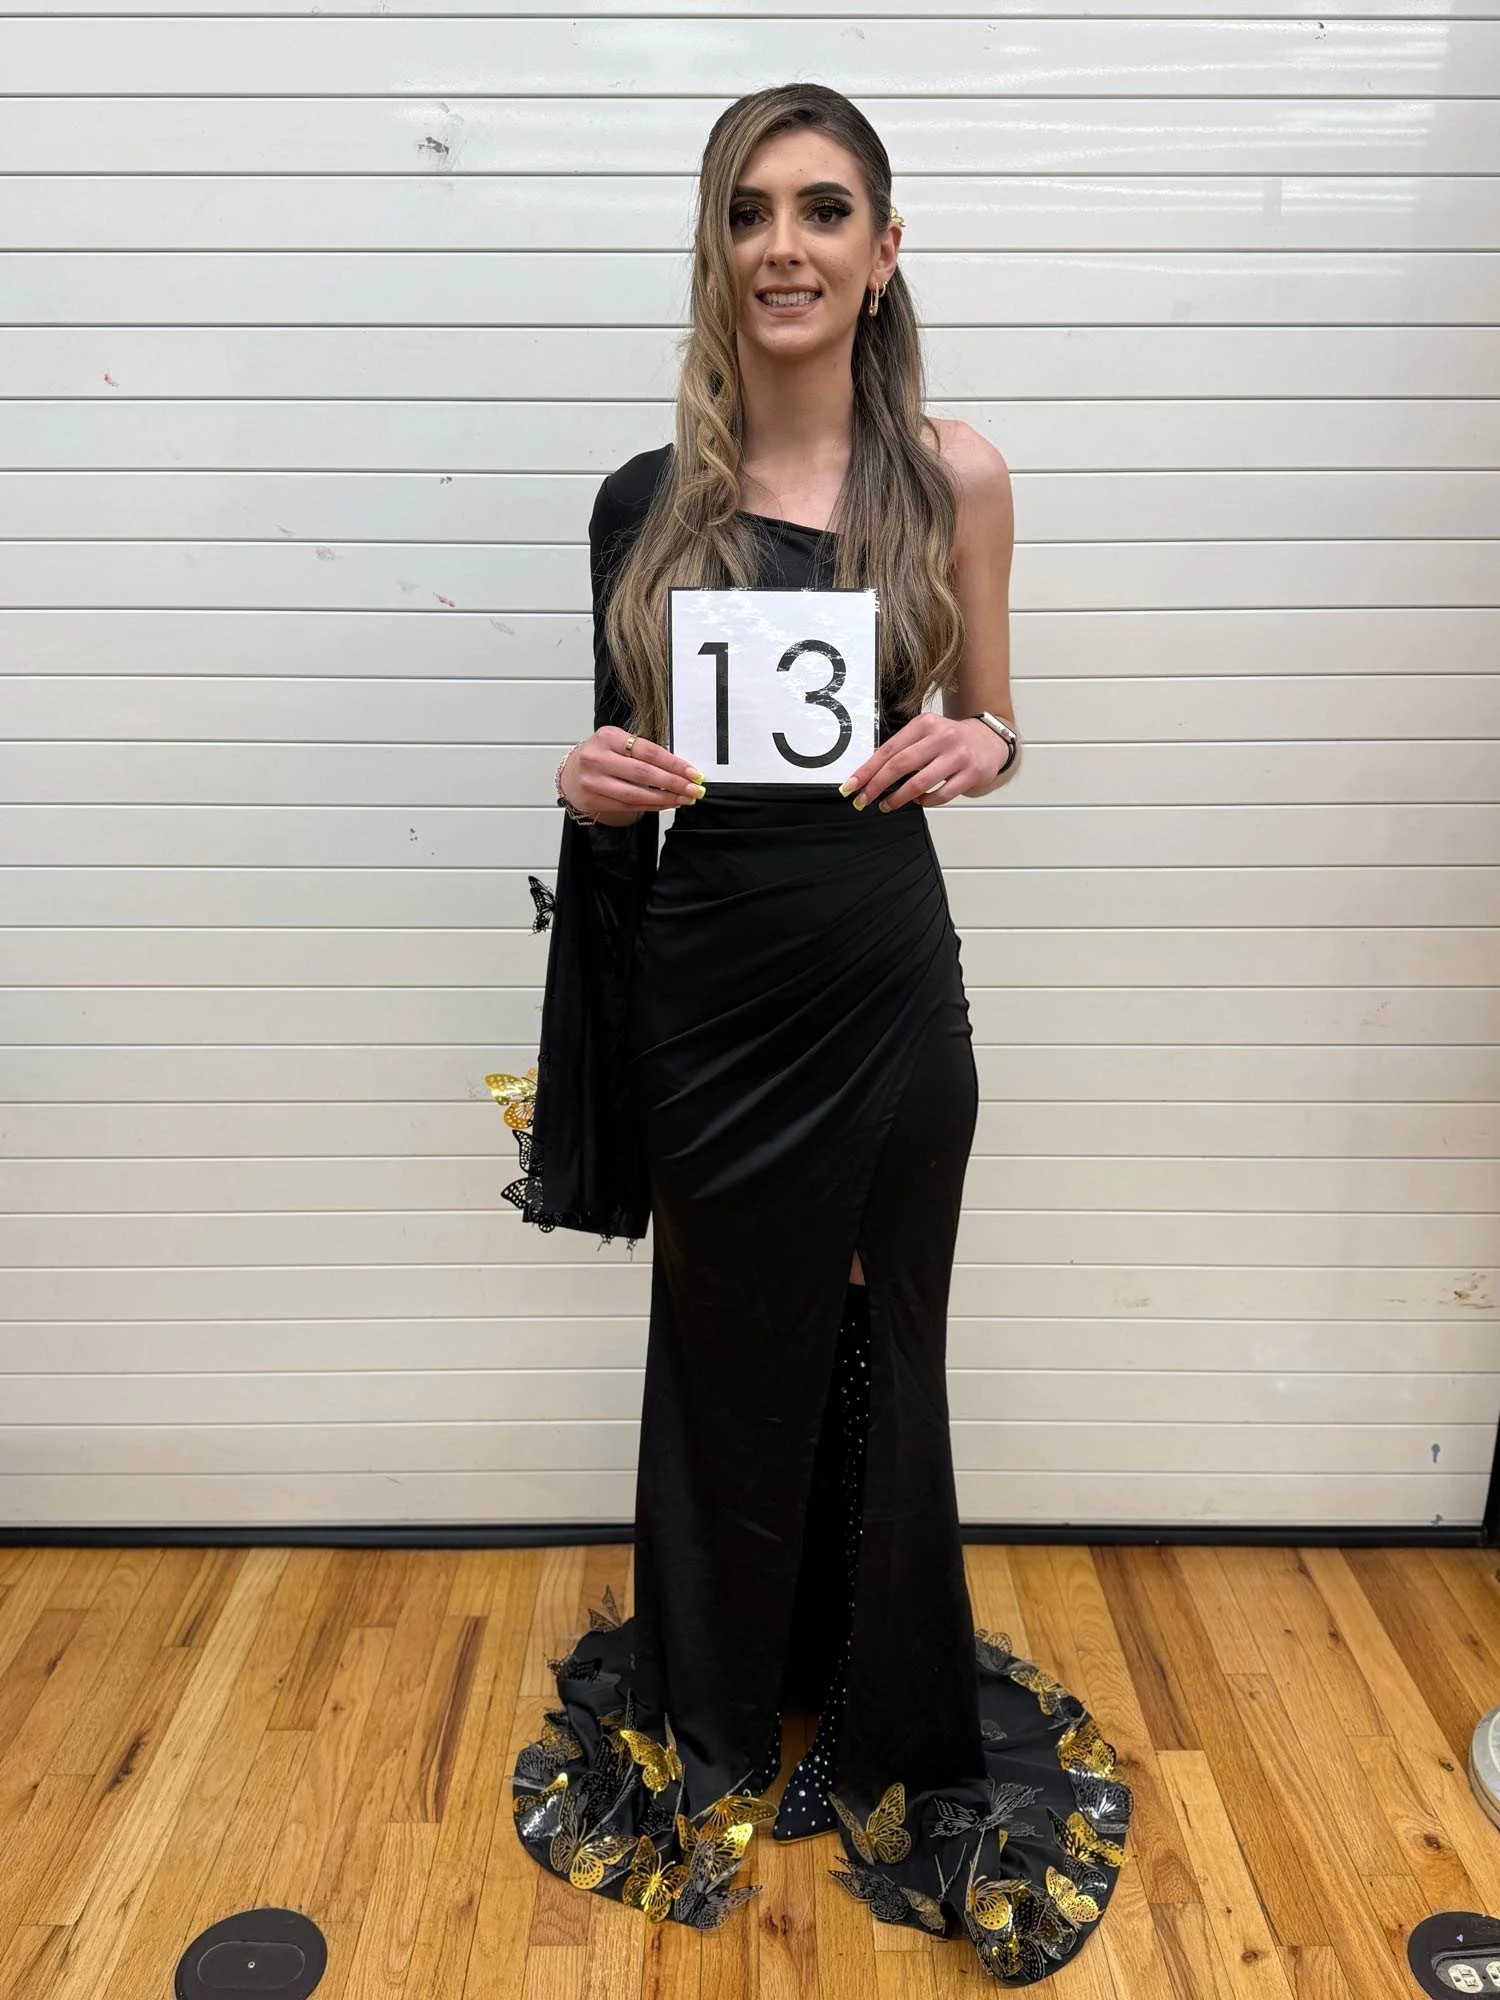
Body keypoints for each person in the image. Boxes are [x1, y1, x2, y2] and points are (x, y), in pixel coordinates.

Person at [506, 81, 1133, 1985]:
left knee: (886, 1339)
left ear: (883, 249)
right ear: (718, 252)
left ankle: (881, 1698)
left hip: (881, 984)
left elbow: (1002, 719)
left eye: (822, 208)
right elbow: (623, 763)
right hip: (707, 995)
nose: (782, 244)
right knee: (725, 1354)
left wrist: (982, 742)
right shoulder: (644, 502)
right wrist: (584, 781)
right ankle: (723, 1686)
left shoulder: (955, 477)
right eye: (748, 211)